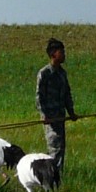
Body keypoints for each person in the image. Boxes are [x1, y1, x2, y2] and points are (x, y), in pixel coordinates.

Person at [36, 37, 76, 168]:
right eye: (61, 52)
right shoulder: (44, 73)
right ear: (53, 54)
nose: (64, 55)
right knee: (54, 148)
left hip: (60, 117)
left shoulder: (62, 73)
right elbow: (39, 96)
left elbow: (67, 94)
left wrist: (71, 112)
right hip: (50, 118)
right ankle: (52, 177)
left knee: (60, 148)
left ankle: (54, 175)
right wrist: (44, 115)